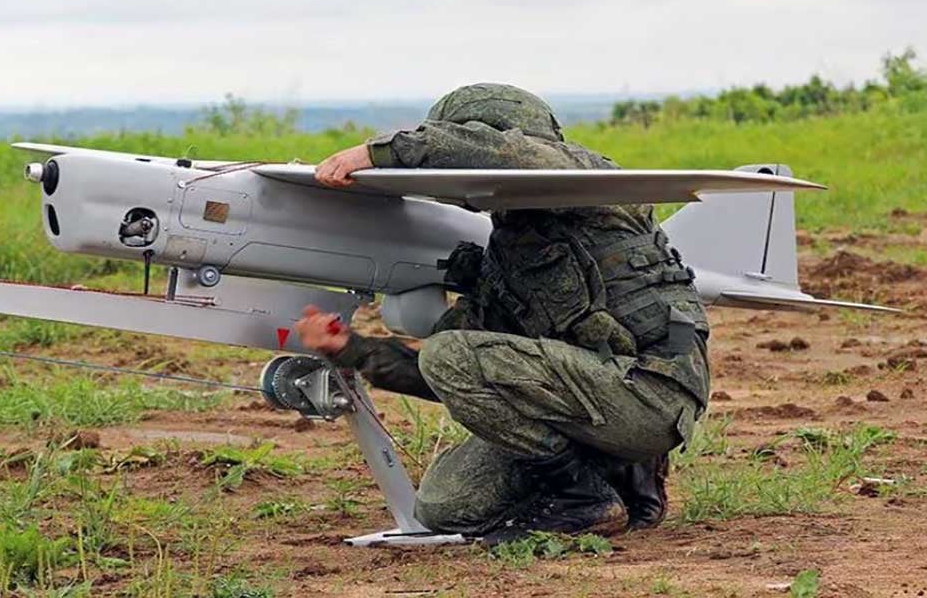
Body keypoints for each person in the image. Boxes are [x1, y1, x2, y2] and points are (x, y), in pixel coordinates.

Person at [294, 83, 710, 544]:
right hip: (589, 403)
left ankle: (582, 499)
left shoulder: (594, 185)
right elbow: (452, 372)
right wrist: (352, 349)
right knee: (445, 505)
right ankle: (612, 477)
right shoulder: (507, 257)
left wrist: (380, 153)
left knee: (449, 354)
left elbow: (509, 153)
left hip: (650, 396)